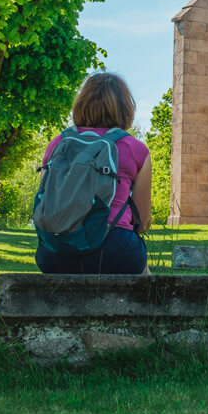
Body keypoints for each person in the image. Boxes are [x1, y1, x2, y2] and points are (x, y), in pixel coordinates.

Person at [35, 72, 153, 275]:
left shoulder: (58, 143)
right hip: (114, 250)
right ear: (126, 108)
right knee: (146, 280)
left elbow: (46, 199)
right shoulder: (136, 149)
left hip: (55, 251)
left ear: (81, 104)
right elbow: (142, 220)